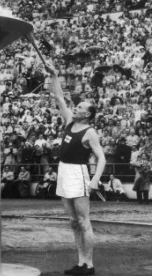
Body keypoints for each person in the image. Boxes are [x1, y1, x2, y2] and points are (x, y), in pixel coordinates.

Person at [46, 62, 106, 276]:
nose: (77, 108)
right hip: (63, 170)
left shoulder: (90, 132)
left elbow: (101, 158)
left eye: (81, 108)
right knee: (73, 222)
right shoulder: (70, 122)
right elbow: (60, 97)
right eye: (78, 106)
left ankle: (89, 265)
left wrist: (95, 179)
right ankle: (80, 262)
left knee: (83, 220)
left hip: (78, 173)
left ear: (88, 115)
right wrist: (54, 76)